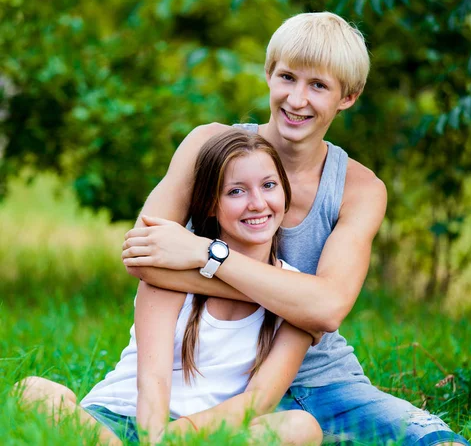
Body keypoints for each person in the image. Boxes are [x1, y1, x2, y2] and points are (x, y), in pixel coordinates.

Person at [122, 12, 470, 445]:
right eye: (287, 77)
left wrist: (206, 255)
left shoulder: (359, 190)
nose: (296, 99)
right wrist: (297, 297)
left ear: (349, 96)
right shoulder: (208, 147)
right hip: (215, 372)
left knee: (440, 442)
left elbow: (326, 311)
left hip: (321, 377)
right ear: (269, 75)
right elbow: (141, 257)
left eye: (319, 85)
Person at [14, 130, 323, 446]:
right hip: (117, 425)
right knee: (33, 390)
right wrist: (153, 440)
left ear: (285, 193)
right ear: (210, 205)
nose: (257, 203)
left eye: (268, 185)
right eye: (236, 192)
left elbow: (259, 400)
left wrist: (174, 439)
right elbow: (153, 381)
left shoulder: (296, 294)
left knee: (301, 427)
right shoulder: (173, 270)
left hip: (203, 435)